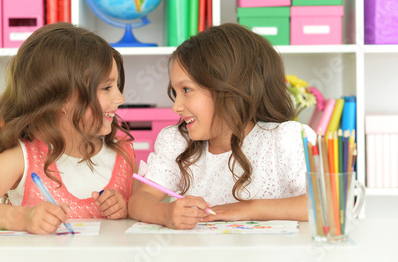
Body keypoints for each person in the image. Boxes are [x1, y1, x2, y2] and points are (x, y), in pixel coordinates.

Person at [128, 23, 315, 230]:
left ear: (231, 89)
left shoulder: (285, 140)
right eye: (176, 92)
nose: (176, 107)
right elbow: (138, 202)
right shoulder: (178, 143)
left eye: (187, 89)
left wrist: (245, 209)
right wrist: (166, 213)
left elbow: (327, 202)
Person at [0, 23, 139, 234]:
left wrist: (125, 209)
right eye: (106, 88)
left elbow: (141, 216)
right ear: (62, 99)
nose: (120, 98)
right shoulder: (22, 158)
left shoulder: (124, 155)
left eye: (117, 86)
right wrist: (24, 218)